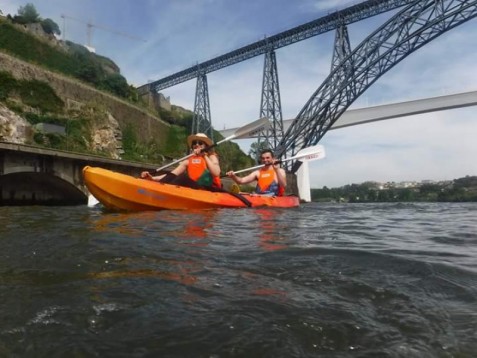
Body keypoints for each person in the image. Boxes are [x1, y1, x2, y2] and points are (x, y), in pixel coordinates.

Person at [141, 133, 222, 189]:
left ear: (206, 146)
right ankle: (160, 188)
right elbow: (173, 174)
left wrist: (204, 155)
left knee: (182, 178)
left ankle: (163, 189)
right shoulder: (188, 161)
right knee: (178, 177)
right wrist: (153, 178)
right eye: (194, 143)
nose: (196, 145)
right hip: (195, 188)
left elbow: (216, 173)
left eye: (200, 143)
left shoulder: (211, 157)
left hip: (210, 189)